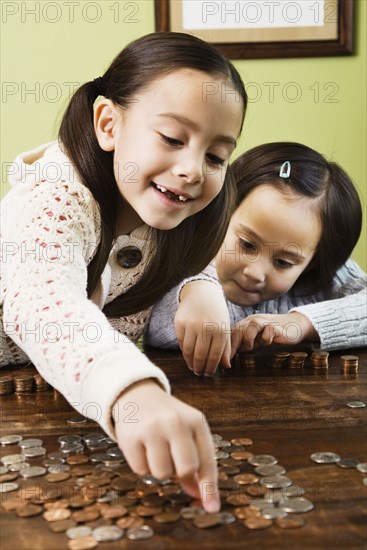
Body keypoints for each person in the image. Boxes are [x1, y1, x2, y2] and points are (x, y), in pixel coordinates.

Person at [0, 32, 247, 511]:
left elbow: (154, 285)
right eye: (173, 139)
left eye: (216, 156)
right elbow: (41, 300)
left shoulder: (170, 218)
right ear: (108, 124)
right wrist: (133, 392)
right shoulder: (52, 196)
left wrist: (200, 284)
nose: (193, 169)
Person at [146, 142, 367, 376]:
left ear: (311, 264)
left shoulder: (324, 278)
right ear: (224, 214)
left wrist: (302, 324)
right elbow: (147, 327)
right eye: (247, 244)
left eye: (283, 262)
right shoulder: (187, 256)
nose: (254, 272)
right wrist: (196, 292)